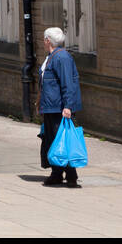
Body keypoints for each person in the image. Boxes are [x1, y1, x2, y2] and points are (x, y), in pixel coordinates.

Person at [39, 26, 83, 188]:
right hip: (51, 107)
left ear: (48, 40)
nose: (43, 42)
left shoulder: (61, 57)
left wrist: (68, 106)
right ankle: (56, 173)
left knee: (64, 141)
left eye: (44, 39)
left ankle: (71, 175)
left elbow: (68, 83)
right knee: (53, 141)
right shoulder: (52, 56)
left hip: (59, 108)